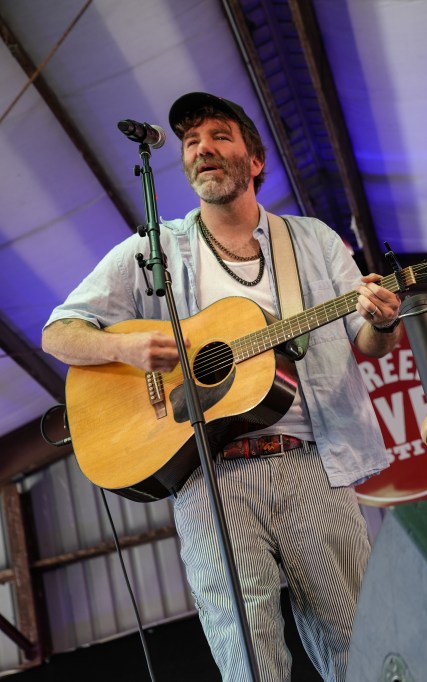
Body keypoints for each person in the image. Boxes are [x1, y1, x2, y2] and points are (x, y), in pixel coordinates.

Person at [41, 92, 402, 679]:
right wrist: (125, 347)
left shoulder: (311, 240)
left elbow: (368, 340)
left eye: (219, 136)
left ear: (254, 161)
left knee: (359, 645)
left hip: (312, 461)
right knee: (247, 661)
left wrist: (382, 320)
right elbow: (59, 333)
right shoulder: (153, 250)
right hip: (207, 476)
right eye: (191, 142)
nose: (202, 148)